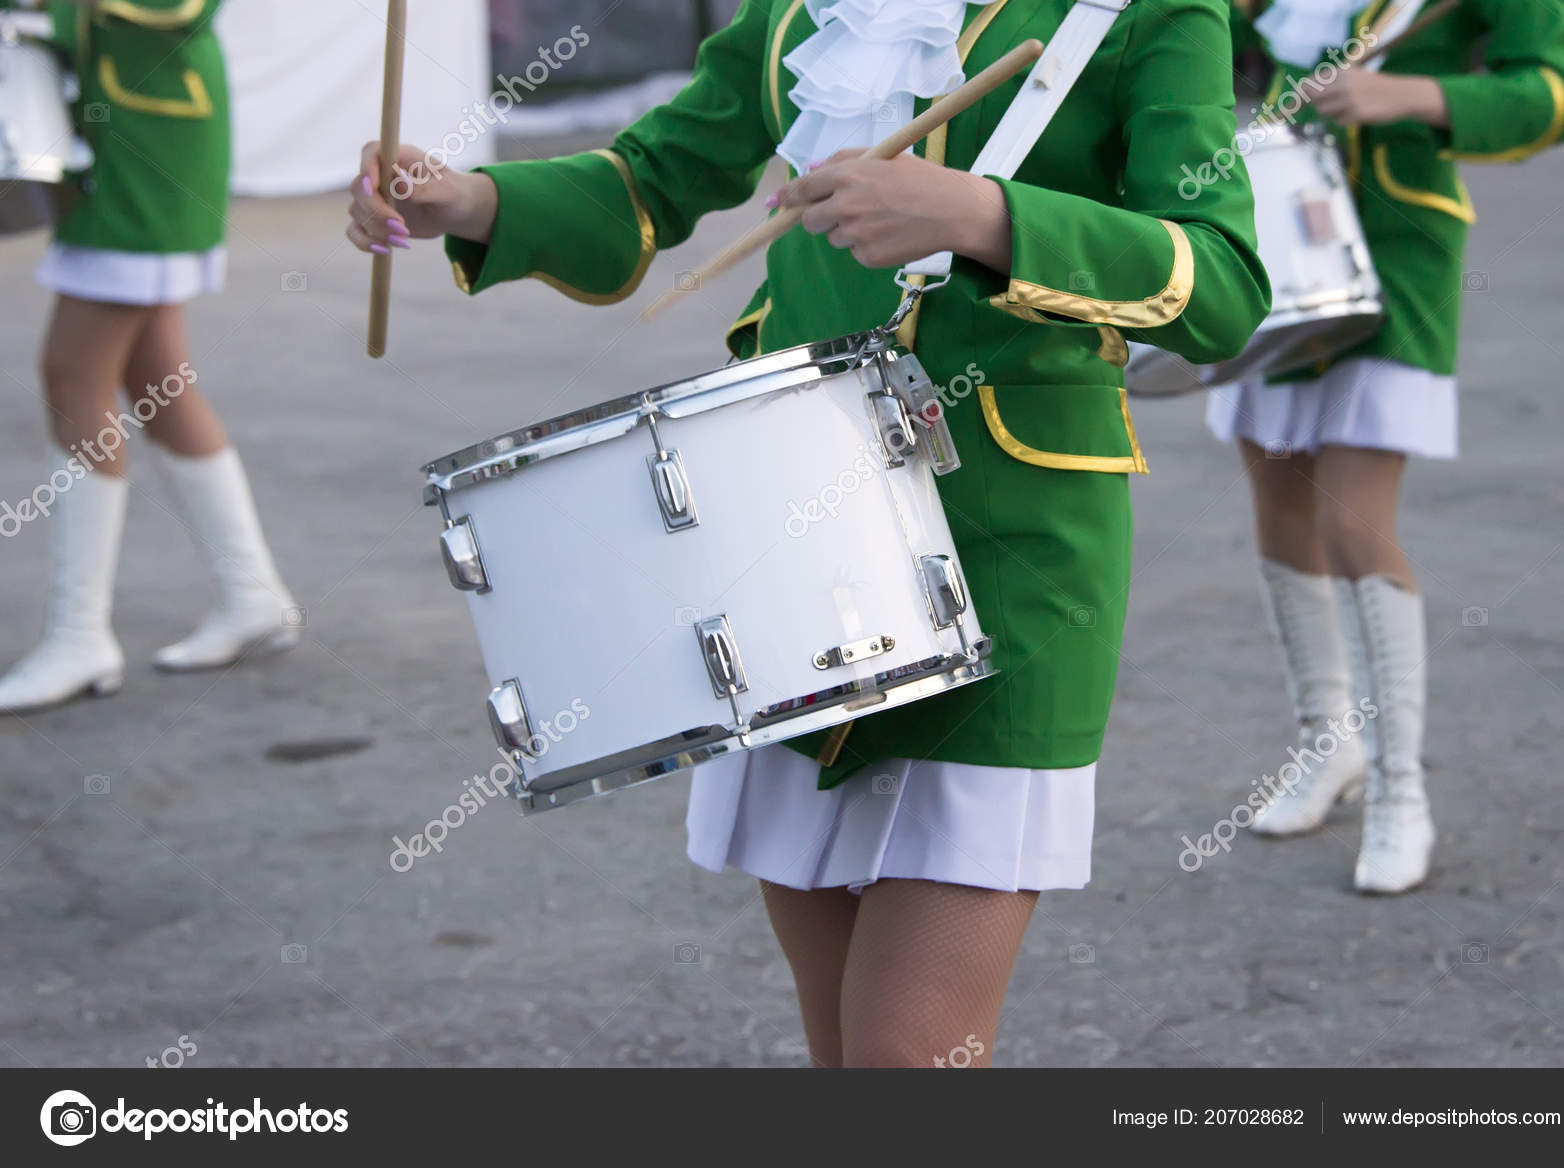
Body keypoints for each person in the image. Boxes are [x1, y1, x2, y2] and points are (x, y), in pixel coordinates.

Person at [347, 0, 1268, 1066]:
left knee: (901, 1064)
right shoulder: (802, 8)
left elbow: (1224, 283)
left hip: (1009, 558)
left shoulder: (1149, 12)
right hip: (787, 553)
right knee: (843, 1057)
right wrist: (466, 196)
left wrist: (983, 215)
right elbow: (653, 177)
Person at [1207, 0, 1564, 892]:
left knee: (1355, 525)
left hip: (1397, 250)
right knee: (1281, 504)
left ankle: (1398, 790)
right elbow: (1225, 41)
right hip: (1280, 235)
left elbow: (1549, 97)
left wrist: (1403, 94)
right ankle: (1324, 744)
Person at [0, 0, 299, 715]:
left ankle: (79, 637)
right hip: (122, 130)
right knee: (158, 381)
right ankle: (252, 593)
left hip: (151, 142)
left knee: (72, 375)